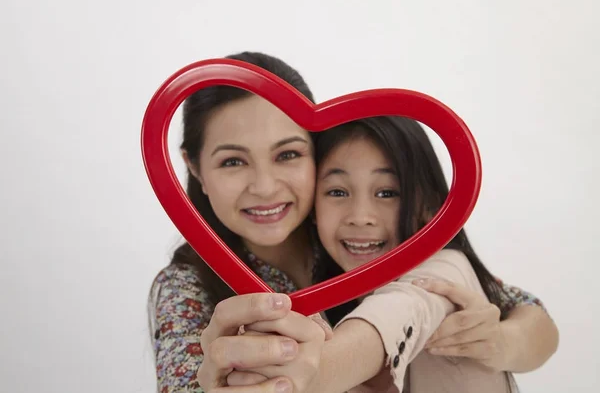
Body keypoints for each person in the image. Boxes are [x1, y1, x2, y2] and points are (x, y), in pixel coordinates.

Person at [148, 51, 558, 392]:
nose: (265, 186)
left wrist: (501, 340)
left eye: (288, 154)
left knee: (443, 269)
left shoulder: (350, 234)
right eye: (233, 161)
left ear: (315, 154)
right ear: (195, 168)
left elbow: (526, 312)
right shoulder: (186, 285)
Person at [224, 116, 557, 392]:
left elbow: (403, 309)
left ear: (428, 207)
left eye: (387, 193)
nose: (360, 215)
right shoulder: (316, 284)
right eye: (337, 192)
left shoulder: (446, 269)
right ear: (314, 206)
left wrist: (313, 372)